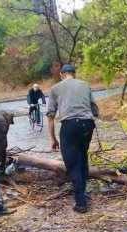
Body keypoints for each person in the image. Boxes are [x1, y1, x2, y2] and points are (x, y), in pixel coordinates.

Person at [47, 64, 99, 213]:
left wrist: (53, 139)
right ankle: (83, 192)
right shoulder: (85, 85)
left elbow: (50, 116)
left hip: (69, 126)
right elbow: (94, 109)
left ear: (62, 74)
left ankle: (81, 203)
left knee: (72, 164)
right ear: (73, 74)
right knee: (82, 158)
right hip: (87, 125)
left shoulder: (56, 88)